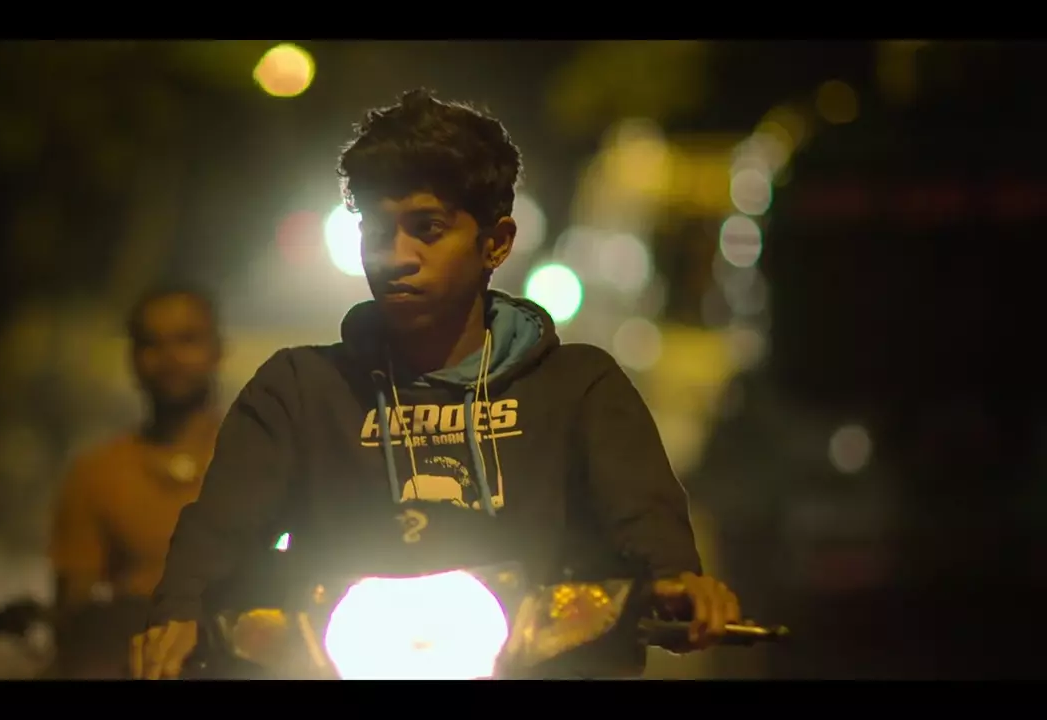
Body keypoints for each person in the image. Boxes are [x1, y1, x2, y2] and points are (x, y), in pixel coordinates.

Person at [132, 89, 741, 680]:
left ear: (495, 243)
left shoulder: (579, 386)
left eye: (427, 228)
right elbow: (220, 529)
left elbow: (642, 513)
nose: (396, 256)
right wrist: (180, 613)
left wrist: (675, 579)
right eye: (378, 231)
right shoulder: (297, 389)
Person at [50, 285, 222, 677]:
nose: (170, 359)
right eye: (152, 344)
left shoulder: (264, 461)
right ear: (132, 357)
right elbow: (75, 614)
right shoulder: (97, 474)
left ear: (217, 349)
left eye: (187, 340)